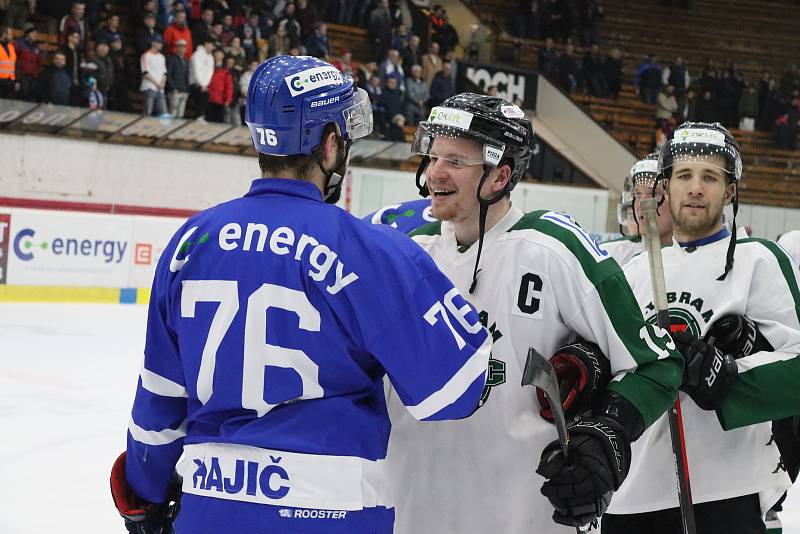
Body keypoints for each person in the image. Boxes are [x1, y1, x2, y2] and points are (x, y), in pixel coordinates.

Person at [109, 55, 492, 534]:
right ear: (329, 144)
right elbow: (455, 392)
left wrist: (143, 494)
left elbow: (160, 399)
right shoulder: (370, 249)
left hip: (209, 510)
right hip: (331, 515)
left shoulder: (192, 242)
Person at [385, 93, 684, 534]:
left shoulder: (555, 248)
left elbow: (656, 364)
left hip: (526, 516)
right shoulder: (404, 252)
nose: (434, 172)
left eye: (455, 160)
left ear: (498, 176)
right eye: (432, 156)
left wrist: (607, 435)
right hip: (414, 511)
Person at [605, 122, 800, 534]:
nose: (695, 188)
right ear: (666, 187)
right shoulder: (633, 272)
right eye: (684, 176)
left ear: (729, 191)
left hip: (725, 491)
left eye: (710, 177)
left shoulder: (757, 261)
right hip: (632, 493)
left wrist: (728, 376)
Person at [601, 153, 670, 268]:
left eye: (655, 194)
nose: (641, 204)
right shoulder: (610, 257)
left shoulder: (702, 261)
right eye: (638, 194)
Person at [140, 34, 168, 117]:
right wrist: (157, 84)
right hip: (149, 87)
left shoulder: (162, 57)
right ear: (153, 43)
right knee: (147, 112)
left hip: (160, 89)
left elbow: (164, 73)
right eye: (159, 43)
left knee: (164, 113)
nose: (161, 45)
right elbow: (145, 73)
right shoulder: (145, 55)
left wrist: (162, 83)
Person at [14, 23, 43, 102]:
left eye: (36, 33)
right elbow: (14, 62)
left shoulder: (36, 47)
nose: (35, 35)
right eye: (33, 33)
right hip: (22, 77)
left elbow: (39, 63)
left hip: (33, 78)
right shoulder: (18, 44)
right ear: (28, 33)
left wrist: (36, 74)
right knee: (22, 98)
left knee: (31, 99)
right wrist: (17, 80)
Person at [167, 40, 190, 118]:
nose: (182, 49)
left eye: (183, 47)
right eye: (180, 47)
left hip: (184, 90)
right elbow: (169, 74)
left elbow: (187, 76)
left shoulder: (186, 61)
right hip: (175, 90)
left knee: (181, 114)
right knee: (173, 112)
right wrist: (173, 88)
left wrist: (187, 89)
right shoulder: (172, 59)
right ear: (176, 48)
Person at [0, 25, 18, 99]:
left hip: (10, 82)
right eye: (10, 34)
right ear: (4, 34)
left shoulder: (11, 47)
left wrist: (16, 81)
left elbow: (15, 65)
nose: (12, 36)